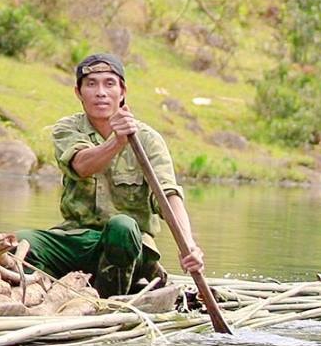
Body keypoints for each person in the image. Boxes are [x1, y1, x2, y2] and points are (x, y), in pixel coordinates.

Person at [20, 53, 207, 298]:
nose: (100, 92)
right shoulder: (68, 128)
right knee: (20, 243)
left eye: (109, 83)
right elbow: (81, 165)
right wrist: (117, 141)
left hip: (130, 245)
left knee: (121, 227)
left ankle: (108, 302)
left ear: (122, 92)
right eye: (91, 84)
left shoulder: (148, 139)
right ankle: (43, 294)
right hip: (78, 240)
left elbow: (168, 195)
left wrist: (188, 245)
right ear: (78, 93)